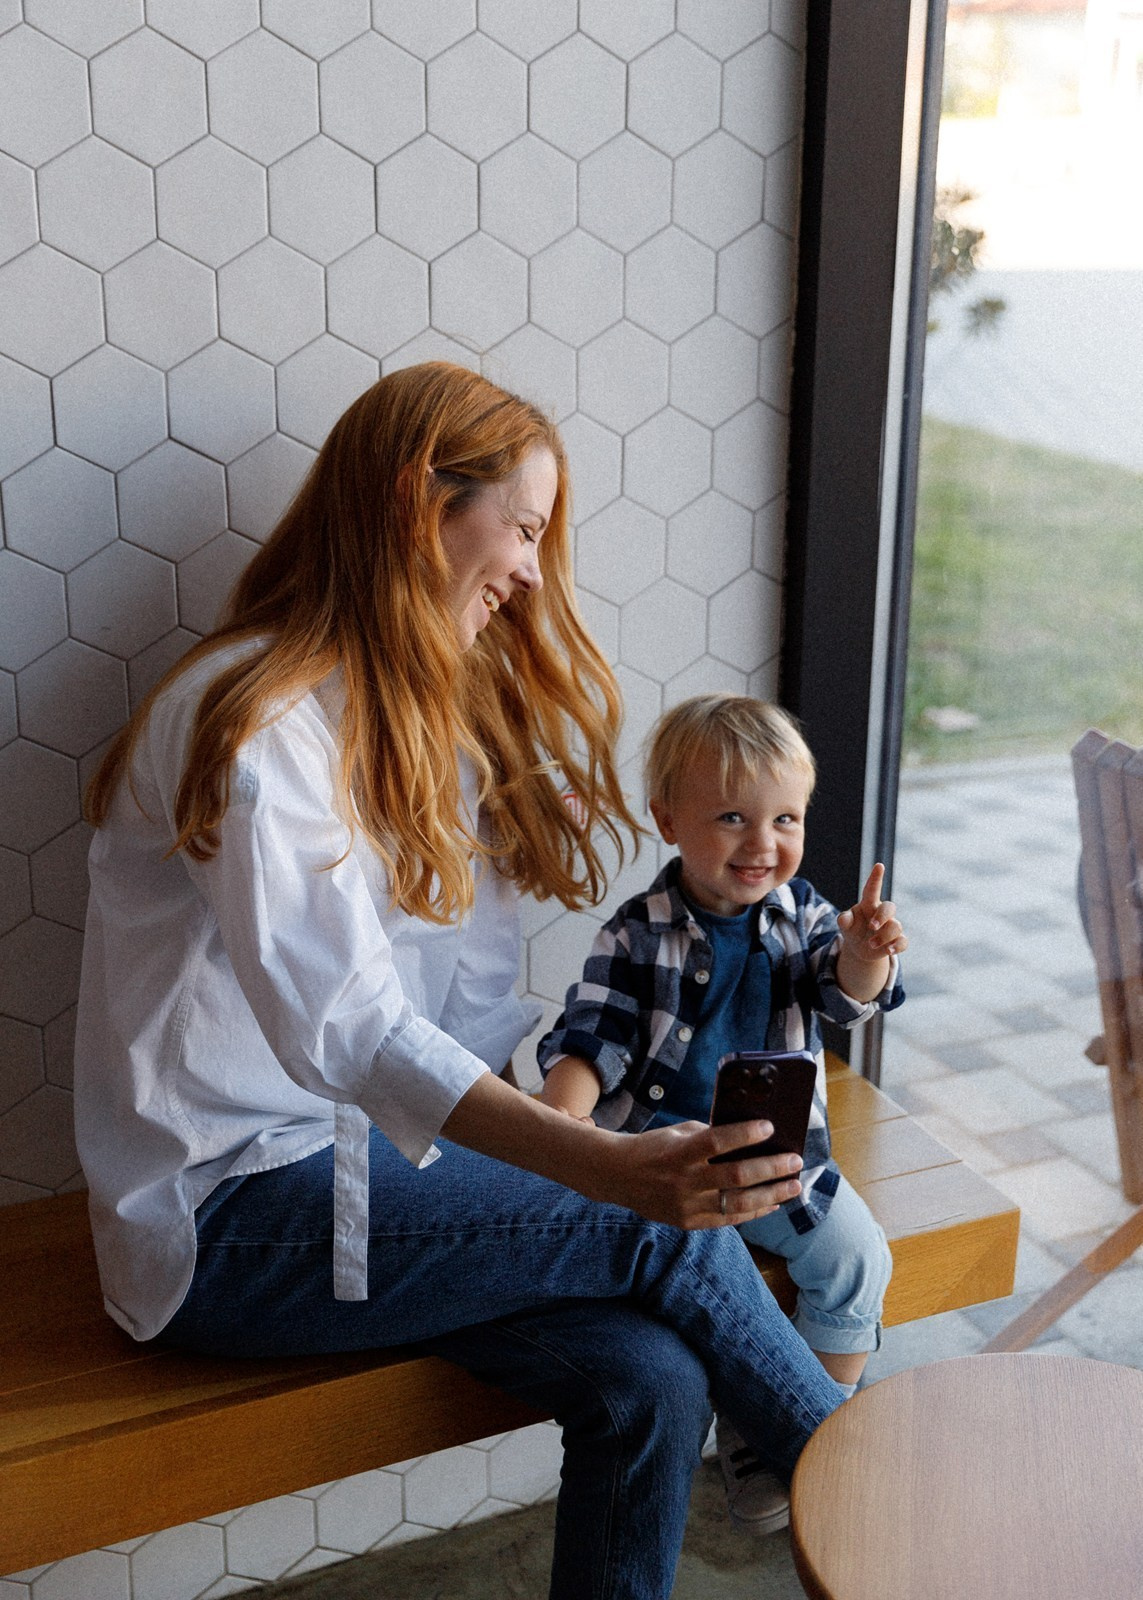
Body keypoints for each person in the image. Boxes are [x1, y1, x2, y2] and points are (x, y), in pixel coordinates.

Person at [73, 364, 844, 1600]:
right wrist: (601, 1176)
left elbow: (469, 1015)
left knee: (653, 1382)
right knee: (675, 1246)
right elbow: (354, 1034)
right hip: (227, 1219)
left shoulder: (426, 722)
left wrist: (573, 1145)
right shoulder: (251, 715)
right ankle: (911, 1514)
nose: (536, 571)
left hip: (371, 1187)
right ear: (416, 504)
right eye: (525, 527)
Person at [538, 693, 906, 1532]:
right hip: (663, 1170)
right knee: (689, 1312)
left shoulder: (805, 916)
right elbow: (593, 1035)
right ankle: (758, 1418)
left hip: (782, 1165)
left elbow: (843, 1002)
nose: (762, 843)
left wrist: (861, 957)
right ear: (668, 821)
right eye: (733, 817)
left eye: (785, 818)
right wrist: (561, 1125)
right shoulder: (636, 934)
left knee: (857, 1261)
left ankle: (786, 1423)